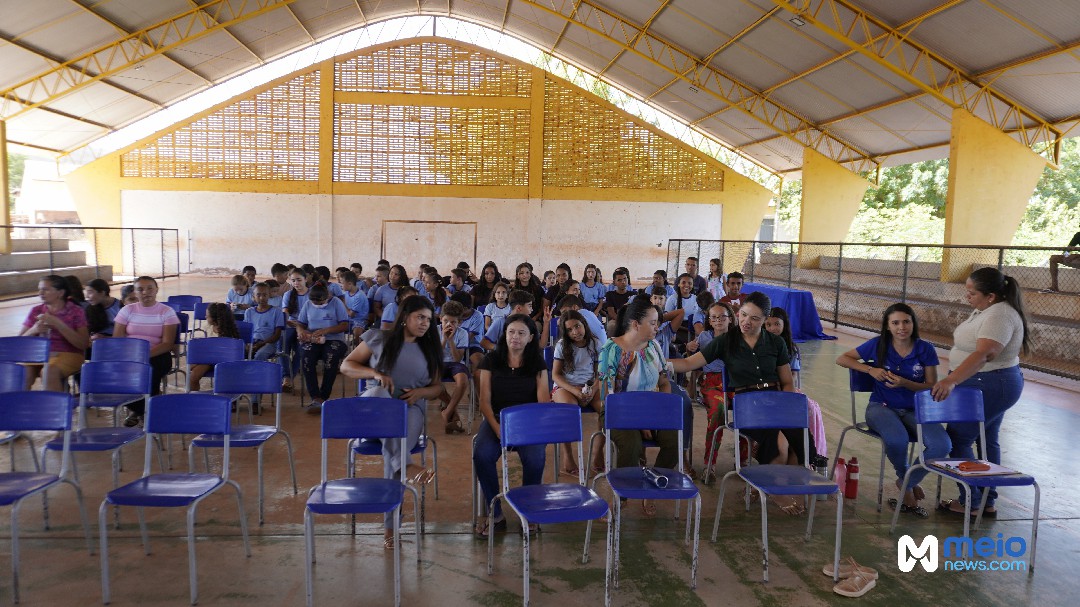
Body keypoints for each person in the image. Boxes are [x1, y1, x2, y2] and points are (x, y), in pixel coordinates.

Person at [670, 291, 803, 514]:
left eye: (754, 318)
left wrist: (784, 408)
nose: (746, 322)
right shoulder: (726, 341)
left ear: (764, 320)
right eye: (743, 315)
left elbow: (787, 382)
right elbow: (688, 363)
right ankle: (775, 492)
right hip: (748, 405)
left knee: (797, 445)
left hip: (776, 401)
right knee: (780, 446)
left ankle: (761, 486)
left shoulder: (776, 343)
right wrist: (657, 361)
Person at [341, 295, 443, 549]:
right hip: (374, 413)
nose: (424, 324)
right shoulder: (379, 337)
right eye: (420, 317)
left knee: (395, 443)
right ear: (405, 316)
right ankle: (405, 464)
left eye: (429, 320)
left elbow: (437, 387)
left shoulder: (430, 350)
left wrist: (420, 393)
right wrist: (374, 373)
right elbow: (347, 365)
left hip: (409, 413)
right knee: (378, 393)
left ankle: (390, 528)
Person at [931, 267, 1031, 517]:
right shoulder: (988, 309)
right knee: (986, 439)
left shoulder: (1000, 315)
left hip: (988, 383)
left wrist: (952, 379)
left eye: (972, 292)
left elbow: (986, 353)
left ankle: (971, 501)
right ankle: (987, 499)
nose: (968, 296)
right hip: (988, 382)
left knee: (959, 439)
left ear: (991, 296)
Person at [836, 303, 946, 517]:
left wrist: (906, 383)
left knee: (942, 444)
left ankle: (906, 482)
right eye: (895, 323)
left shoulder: (925, 349)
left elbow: (931, 385)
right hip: (881, 407)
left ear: (913, 324)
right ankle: (908, 483)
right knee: (897, 439)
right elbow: (842, 359)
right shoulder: (878, 345)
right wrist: (870, 369)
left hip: (915, 410)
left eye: (906, 321)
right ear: (887, 326)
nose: (901, 327)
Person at [472, 313, 550, 537]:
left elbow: (543, 401)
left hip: (528, 421)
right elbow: (484, 402)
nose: (515, 337)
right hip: (497, 418)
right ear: (504, 335)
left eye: (521, 333)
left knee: (535, 457)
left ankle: (528, 510)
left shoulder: (537, 362)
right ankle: (495, 512)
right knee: (482, 454)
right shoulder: (491, 360)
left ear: (530, 338)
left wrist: (527, 428)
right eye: (511, 332)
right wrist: (498, 429)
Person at [598, 296, 677, 516]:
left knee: (674, 441)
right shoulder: (610, 350)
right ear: (635, 324)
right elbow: (608, 395)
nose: (657, 327)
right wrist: (640, 419)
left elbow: (663, 383)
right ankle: (621, 496)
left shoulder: (654, 347)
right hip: (618, 412)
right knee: (631, 444)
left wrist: (655, 415)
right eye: (652, 323)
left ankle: (651, 486)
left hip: (652, 411)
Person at [113, 276, 179, 427]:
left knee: (148, 371)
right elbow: (117, 338)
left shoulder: (166, 312)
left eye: (150, 288)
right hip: (130, 354)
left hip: (158, 354)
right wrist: (131, 355)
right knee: (120, 374)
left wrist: (143, 356)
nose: (145, 292)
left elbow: (167, 343)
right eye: (140, 289)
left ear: (156, 290)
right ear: (135, 292)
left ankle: (140, 410)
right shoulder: (127, 310)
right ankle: (142, 409)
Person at [552, 310, 603, 475]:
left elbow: (600, 374)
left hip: (589, 385)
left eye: (577, 326)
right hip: (566, 387)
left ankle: (598, 453)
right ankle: (568, 456)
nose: (575, 332)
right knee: (570, 413)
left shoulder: (595, 343)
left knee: (606, 410)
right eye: (570, 330)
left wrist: (593, 389)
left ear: (584, 325)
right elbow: (555, 375)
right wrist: (575, 390)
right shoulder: (561, 345)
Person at [19, 275, 89, 391]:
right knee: (22, 373)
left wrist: (58, 324)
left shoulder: (76, 311)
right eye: (39, 289)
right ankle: (18, 407)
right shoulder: (36, 311)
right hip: (39, 355)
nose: (40, 293)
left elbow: (83, 344)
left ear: (60, 293)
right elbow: (19, 341)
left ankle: (57, 408)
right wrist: (34, 330)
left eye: (45, 289)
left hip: (69, 354)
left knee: (48, 371)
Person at [687, 302, 734, 470]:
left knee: (748, 409)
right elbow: (691, 355)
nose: (718, 320)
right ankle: (710, 463)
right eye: (714, 317)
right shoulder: (705, 336)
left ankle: (744, 459)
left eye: (722, 317)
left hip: (735, 382)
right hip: (712, 382)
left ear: (730, 319)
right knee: (717, 411)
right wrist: (689, 346)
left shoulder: (738, 337)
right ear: (710, 321)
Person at [295, 283, 350, 413]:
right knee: (307, 359)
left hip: (334, 339)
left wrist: (325, 330)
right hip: (314, 339)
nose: (318, 305)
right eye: (315, 303)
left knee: (330, 358)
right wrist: (301, 332)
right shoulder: (308, 304)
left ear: (327, 296)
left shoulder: (336, 302)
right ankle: (315, 396)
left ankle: (324, 396)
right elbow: (300, 323)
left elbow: (345, 325)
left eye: (320, 303)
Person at [188, 303, 240, 392]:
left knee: (224, 380)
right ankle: (195, 397)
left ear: (215, 319)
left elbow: (227, 353)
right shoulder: (208, 327)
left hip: (224, 360)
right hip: (209, 359)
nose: (205, 317)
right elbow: (205, 346)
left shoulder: (229, 332)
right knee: (193, 376)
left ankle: (229, 399)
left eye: (207, 316)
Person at [436, 301, 470, 434]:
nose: (449, 325)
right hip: (438, 362)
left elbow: (457, 359)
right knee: (431, 381)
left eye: (453, 322)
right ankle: (453, 414)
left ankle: (447, 412)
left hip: (455, 364)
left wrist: (450, 341)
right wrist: (444, 339)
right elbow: (436, 356)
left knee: (463, 381)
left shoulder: (462, 334)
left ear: (459, 323)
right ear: (440, 319)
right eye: (445, 321)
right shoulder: (434, 330)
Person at [280, 268, 310, 392]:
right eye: (293, 280)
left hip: (307, 326)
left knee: (300, 348)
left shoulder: (311, 294)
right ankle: (287, 377)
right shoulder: (288, 294)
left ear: (305, 279)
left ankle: (289, 378)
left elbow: (314, 313)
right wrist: (289, 321)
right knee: (282, 346)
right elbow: (285, 312)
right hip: (291, 324)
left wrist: (302, 326)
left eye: (299, 280)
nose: (296, 283)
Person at [84, 278, 122, 343]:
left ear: (102, 292)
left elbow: (124, 334)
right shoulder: (90, 309)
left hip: (116, 342)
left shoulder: (120, 307)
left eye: (90, 292)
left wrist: (105, 338)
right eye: (86, 292)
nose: (87, 296)